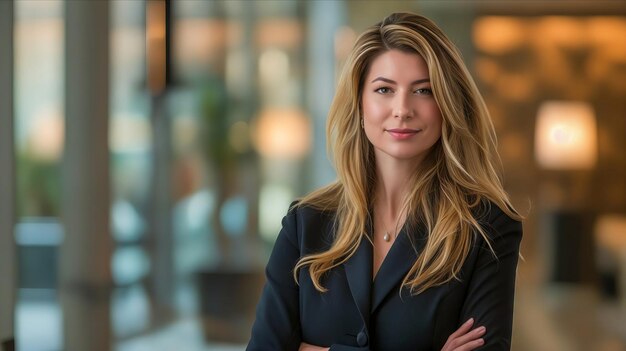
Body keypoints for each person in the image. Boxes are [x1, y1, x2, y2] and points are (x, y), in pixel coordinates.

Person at [247, 12, 523, 351]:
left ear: (448, 104)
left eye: (423, 90)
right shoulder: (305, 223)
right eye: (384, 89)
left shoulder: (487, 227)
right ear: (360, 105)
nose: (402, 108)